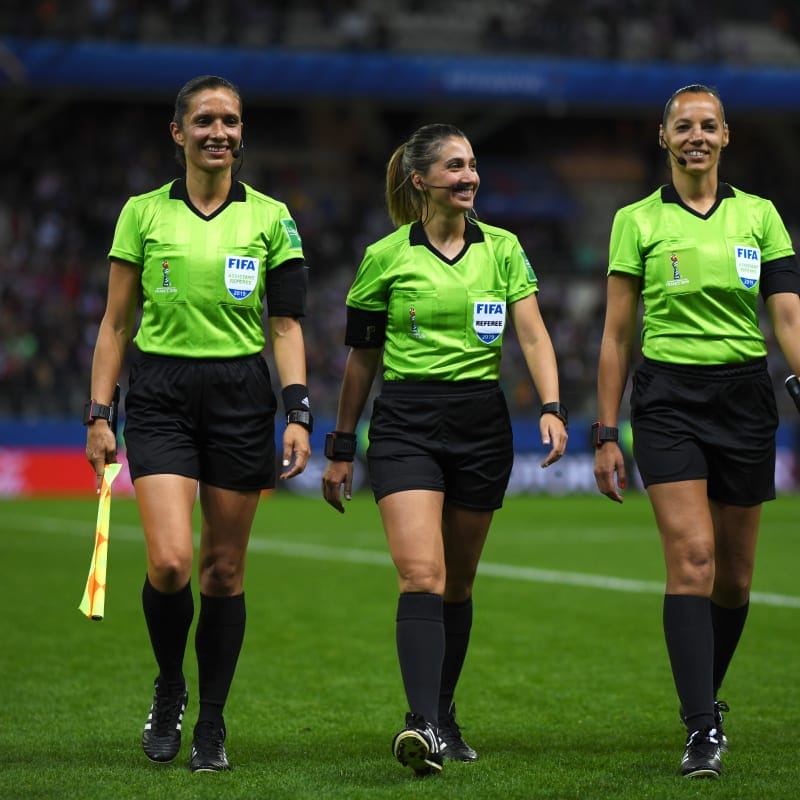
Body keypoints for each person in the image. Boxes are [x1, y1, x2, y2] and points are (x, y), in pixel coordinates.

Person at [321, 123, 568, 776]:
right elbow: (361, 361)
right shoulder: (384, 257)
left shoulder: (506, 250)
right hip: (404, 422)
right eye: (454, 166)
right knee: (421, 576)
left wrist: (550, 406)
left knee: (456, 584)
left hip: (481, 424)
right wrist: (342, 445)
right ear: (420, 180)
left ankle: (444, 709)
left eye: (473, 165)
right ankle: (422, 724)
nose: (469, 176)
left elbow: (536, 337)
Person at [84, 75, 313, 773]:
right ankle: (170, 685)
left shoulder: (272, 218)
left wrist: (298, 409)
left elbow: (286, 324)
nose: (221, 131)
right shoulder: (142, 214)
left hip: (242, 396)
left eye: (232, 120)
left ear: (242, 133)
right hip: (160, 393)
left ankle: (211, 721)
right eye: (206, 120)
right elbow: (117, 323)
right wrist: (100, 413)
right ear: (178, 133)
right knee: (171, 562)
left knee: (222, 570)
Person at [593, 84, 800, 779]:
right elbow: (617, 334)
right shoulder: (637, 222)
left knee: (736, 581)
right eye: (684, 126)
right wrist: (604, 430)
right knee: (694, 561)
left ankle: (706, 698)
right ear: (663, 137)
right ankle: (701, 727)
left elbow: (789, 318)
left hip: (745, 397)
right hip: (668, 398)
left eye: (708, 126)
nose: (697, 136)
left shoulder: (762, 217)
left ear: (727, 136)